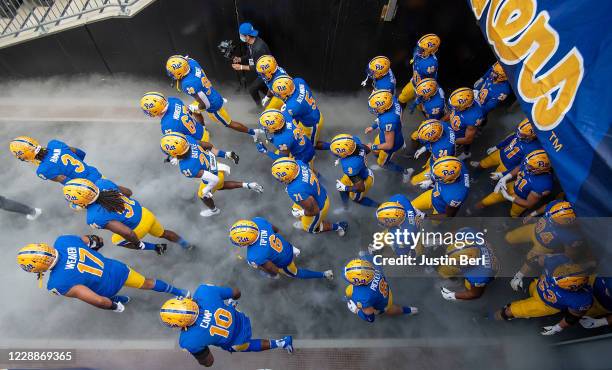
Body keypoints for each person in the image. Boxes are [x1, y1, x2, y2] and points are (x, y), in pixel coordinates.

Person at [17, 234, 188, 312]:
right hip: (116, 270)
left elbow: (98, 300)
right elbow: (95, 240)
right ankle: (181, 293)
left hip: (106, 290)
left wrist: (114, 306)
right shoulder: (63, 240)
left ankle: (122, 301)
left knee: (98, 293)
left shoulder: (56, 284)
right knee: (147, 283)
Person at [160, 284, 293, 367]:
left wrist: (193, 349)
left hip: (237, 340)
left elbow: (208, 362)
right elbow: (236, 292)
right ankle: (230, 306)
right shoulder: (204, 291)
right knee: (226, 303)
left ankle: (282, 343)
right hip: (239, 317)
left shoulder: (188, 341)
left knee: (242, 346)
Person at [62, 178, 194, 253]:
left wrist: (138, 243)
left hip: (136, 228)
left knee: (116, 240)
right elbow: (128, 192)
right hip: (145, 213)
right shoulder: (102, 183)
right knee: (164, 233)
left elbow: (128, 232)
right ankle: (186, 245)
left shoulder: (93, 217)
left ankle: (154, 247)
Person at [160, 133, 263, 217]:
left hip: (212, 177)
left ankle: (214, 210)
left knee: (202, 195)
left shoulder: (186, 168)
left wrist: (206, 190)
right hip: (218, 167)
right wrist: (226, 154)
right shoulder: (188, 140)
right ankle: (248, 185)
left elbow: (214, 179)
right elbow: (207, 146)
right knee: (220, 185)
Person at [165, 55, 263, 142]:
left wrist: (195, 108)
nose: (171, 74)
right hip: (208, 92)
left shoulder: (188, 84)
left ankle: (253, 132)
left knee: (228, 123)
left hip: (211, 104)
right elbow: (186, 59)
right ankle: (203, 128)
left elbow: (205, 104)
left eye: (172, 72)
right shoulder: (192, 63)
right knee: (195, 110)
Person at [494, 254, 593, 336]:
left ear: (574, 288)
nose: (552, 280)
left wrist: (557, 328)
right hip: (537, 285)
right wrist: (518, 276)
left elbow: (573, 317)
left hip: (544, 305)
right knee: (518, 285)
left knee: (507, 312)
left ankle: (491, 320)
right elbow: (534, 260)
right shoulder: (558, 261)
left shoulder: (581, 299)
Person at [505, 200, 586, 291]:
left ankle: (520, 277)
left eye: (553, 220)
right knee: (510, 237)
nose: (549, 218)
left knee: (531, 259)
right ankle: (517, 248)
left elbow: (569, 256)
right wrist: (533, 214)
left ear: (568, 222)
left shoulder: (573, 235)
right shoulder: (558, 206)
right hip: (533, 229)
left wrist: (550, 256)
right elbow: (546, 207)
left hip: (544, 247)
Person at [140, 92, 239, 164]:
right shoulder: (173, 100)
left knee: (200, 164)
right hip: (200, 130)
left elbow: (179, 143)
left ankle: (215, 168)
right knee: (210, 149)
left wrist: (177, 158)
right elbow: (189, 112)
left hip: (196, 141)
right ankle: (226, 155)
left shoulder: (167, 126)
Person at [9, 136, 130, 194]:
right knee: (117, 189)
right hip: (94, 173)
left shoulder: (43, 170)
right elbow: (81, 153)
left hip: (87, 187)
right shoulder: (55, 144)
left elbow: (67, 182)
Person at [229, 217, 333, 280]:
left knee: (295, 273)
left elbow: (273, 269)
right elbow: (276, 229)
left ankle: (324, 274)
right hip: (287, 246)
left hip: (285, 261)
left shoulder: (254, 255)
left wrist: (273, 275)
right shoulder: (258, 221)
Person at [270, 157, 347, 235]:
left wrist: (301, 212)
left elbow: (314, 211)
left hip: (318, 206)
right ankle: (306, 222)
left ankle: (339, 226)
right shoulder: (299, 163)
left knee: (312, 229)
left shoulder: (295, 190)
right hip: (314, 193)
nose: (279, 180)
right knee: (296, 210)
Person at [474, 149, 553, 217]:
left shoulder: (544, 184)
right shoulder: (530, 161)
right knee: (486, 201)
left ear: (541, 169)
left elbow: (529, 204)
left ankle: (510, 223)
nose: (526, 167)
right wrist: (505, 177)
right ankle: (473, 210)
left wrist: (508, 197)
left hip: (522, 198)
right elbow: (519, 167)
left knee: (514, 214)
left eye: (530, 167)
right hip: (513, 185)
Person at [344, 253, 418, 323]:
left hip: (383, 303)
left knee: (388, 309)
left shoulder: (363, 297)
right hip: (385, 291)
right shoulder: (373, 264)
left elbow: (370, 318)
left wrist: (356, 310)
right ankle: (410, 310)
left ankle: (408, 310)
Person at [470, 118, 541, 179]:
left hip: (507, 166)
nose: (518, 133)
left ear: (531, 136)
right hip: (501, 153)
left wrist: (505, 174)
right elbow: (510, 138)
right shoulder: (522, 132)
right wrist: (496, 147)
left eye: (522, 134)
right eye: (519, 131)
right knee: (482, 164)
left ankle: (493, 183)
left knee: (493, 178)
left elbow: (522, 165)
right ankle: (475, 176)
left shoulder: (534, 149)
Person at [364, 89, 411, 181]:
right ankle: (380, 161)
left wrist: (372, 147)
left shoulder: (388, 121)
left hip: (390, 142)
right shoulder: (391, 99)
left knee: (382, 163)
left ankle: (405, 171)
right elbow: (381, 118)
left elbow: (389, 145)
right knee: (377, 152)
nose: (374, 110)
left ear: (384, 108)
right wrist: (373, 127)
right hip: (388, 133)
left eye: (376, 108)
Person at [439, 229, 498, 301]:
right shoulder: (470, 234)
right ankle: (447, 276)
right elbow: (455, 233)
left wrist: (452, 295)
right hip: (486, 260)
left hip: (488, 271)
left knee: (469, 286)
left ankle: (460, 284)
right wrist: (438, 240)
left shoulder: (480, 275)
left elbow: (475, 294)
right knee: (447, 268)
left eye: (457, 263)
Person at [327, 134, 379, 211]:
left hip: (363, 180)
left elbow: (360, 188)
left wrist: (346, 188)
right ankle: (346, 207)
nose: (334, 153)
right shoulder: (354, 141)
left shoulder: (350, 166)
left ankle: (379, 206)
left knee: (355, 199)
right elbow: (367, 149)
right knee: (341, 188)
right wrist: (340, 158)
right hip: (358, 172)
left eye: (337, 151)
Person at [272, 75, 325, 144]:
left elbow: (291, 123)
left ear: (286, 93)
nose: (277, 96)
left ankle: (333, 147)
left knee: (310, 145)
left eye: (278, 94)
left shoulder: (292, 107)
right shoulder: (299, 81)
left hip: (313, 123)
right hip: (310, 111)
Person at [232, 22, 273, 108]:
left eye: (241, 35)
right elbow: (249, 55)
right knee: (259, 86)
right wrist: (240, 59)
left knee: (252, 89)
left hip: (267, 73)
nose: (240, 37)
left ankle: (260, 107)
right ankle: (271, 100)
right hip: (262, 72)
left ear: (247, 36)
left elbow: (259, 68)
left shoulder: (259, 48)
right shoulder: (251, 42)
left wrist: (241, 67)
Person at [406, 119, 456, 187]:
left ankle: (433, 184)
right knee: (428, 164)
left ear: (436, 138)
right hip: (445, 151)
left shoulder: (441, 149)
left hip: (440, 163)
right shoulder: (440, 125)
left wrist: (431, 180)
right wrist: (424, 148)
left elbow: (439, 167)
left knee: (414, 181)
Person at [398, 34, 441, 108]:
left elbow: (430, 83)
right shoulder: (420, 53)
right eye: (419, 47)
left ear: (430, 51)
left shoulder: (430, 64)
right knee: (402, 97)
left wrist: (421, 95)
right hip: (414, 82)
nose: (418, 50)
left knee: (421, 107)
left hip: (424, 87)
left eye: (421, 49)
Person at [447, 88, 484, 160]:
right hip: (454, 127)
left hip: (461, 134)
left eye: (456, 107)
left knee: (465, 145)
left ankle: (466, 153)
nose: (454, 108)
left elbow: (468, 140)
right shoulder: (463, 102)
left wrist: (450, 141)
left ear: (467, 106)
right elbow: (451, 112)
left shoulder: (473, 117)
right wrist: (440, 121)